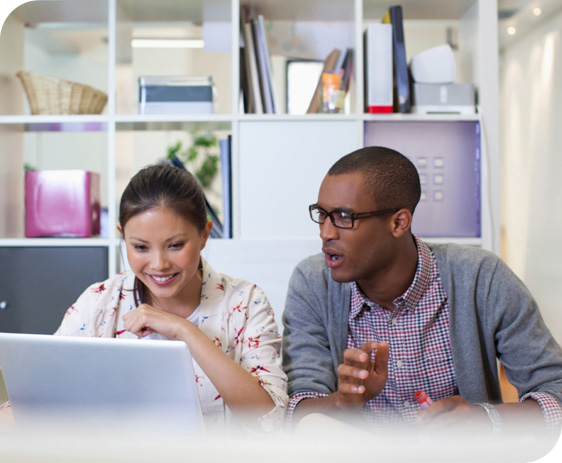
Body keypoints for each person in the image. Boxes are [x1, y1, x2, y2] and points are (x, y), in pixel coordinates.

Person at [282, 146, 562, 436]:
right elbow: (295, 408)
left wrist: (487, 419)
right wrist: (342, 403)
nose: (326, 232)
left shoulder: (480, 277)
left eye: (343, 216)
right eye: (322, 214)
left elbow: (554, 388)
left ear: (398, 223)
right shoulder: (313, 283)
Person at [54, 163, 287, 432]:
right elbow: (39, 395)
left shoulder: (245, 302)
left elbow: (270, 419)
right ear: (123, 236)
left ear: (204, 235)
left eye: (175, 245)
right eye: (140, 247)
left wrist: (183, 330)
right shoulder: (99, 302)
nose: (159, 264)